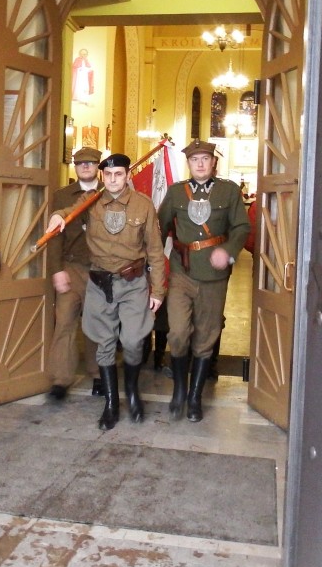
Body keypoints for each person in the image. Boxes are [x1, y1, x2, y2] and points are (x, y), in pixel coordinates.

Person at [45, 153, 166, 429]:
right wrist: (56, 217)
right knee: (104, 342)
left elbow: (156, 252)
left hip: (133, 283)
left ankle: (132, 391)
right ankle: (111, 403)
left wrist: (158, 291)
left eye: (118, 174)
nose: (113, 180)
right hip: (100, 283)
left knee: (133, 341)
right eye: (108, 175)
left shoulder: (143, 205)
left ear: (127, 176)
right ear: (102, 176)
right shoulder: (91, 200)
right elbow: (68, 210)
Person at [157, 140, 250, 422]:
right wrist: (152, 267)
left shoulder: (228, 191)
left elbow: (242, 227)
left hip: (213, 276)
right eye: (194, 159)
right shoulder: (176, 192)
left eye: (205, 159)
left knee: (206, 336)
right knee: (177, 332)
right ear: (188, 163)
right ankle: (179, 391)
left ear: (213, 162)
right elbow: (159, 229)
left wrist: (228, 251)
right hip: (181, 272)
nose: (199, 164)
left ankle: (195, 397)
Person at [46, 147, 103, 401]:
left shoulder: (109, 191)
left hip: (100, 268)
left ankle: (99, 374)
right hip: (71, 267)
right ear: (75, 166)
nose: (86, 167)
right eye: (81, 164)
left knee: (97, 323)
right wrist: (57, 270)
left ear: (98, 166)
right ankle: (61, 379)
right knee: (65, 322)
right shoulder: (62, 196)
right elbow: (54, 237)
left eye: (90, 163)